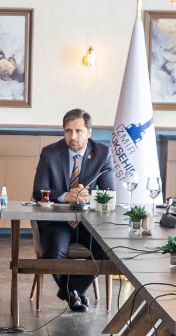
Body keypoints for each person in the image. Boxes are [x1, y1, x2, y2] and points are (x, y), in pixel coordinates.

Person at [31, 108, 114, 313]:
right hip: (57, 223)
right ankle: (74, 292)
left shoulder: (102, 153)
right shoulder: (50, 153)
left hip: (89, 223)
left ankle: (71, 290)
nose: (73, 136)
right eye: (68, 131)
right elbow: (38, 191)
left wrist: (87, 197)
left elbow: (108, 194)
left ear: (89, 132)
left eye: (78, 131)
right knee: (54, 252)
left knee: (108, 251)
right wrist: (66, 196)